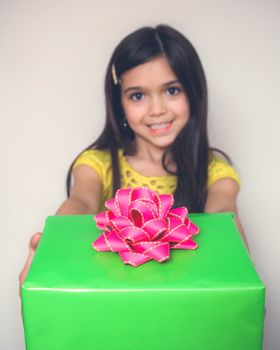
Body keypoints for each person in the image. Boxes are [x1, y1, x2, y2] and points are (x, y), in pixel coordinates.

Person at [19, 24, 248, 286]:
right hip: (112, 305)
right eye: (138, 95)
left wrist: (242, 270)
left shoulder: (214, 171)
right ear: (120, 103)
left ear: (194, 93)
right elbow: (81, 200)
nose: (157, 109)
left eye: (172, 90)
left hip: (185, 306)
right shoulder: (98, 164)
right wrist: (52, 247)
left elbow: (223, 213)